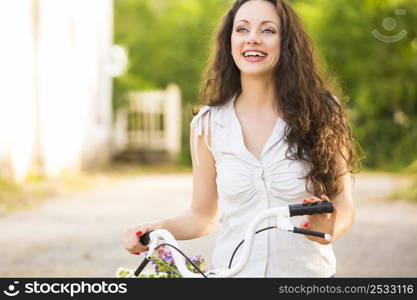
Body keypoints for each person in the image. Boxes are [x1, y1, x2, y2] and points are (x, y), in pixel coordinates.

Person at [124, 0, 359, 277]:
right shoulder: (208, 123)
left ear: (286, 43)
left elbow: (344, 206)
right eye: (242, 29)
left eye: (268, 30)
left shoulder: (323, 111)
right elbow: (201, 216)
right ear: (230, 41)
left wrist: (328, 230)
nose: (253, 39)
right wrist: (155, 229)